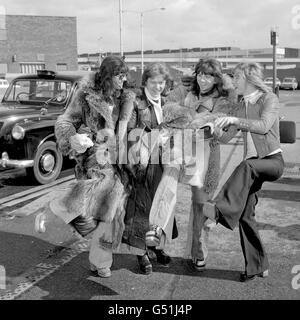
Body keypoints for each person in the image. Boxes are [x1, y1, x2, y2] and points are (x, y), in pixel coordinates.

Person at [35, 55, 136, 278]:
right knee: (106, 207)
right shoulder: (86, 95)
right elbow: (64, 121)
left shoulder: (125, 99)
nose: (124, 80)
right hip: (94, 158)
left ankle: (96, 257)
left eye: (125, 75)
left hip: (121, 160)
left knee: (102, 213)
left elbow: (134, 127)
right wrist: (72, 138)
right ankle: (100, 260)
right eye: (120, 76)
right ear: (108, 76)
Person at [145, 58, 237, 271]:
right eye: (201, 74)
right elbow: (168, 108)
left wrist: (191, 119)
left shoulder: (222, 98)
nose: (204, 80)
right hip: (179, 149)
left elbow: (218, 122)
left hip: (205, 156)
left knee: (200, 205)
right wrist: (194, 118)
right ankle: (157, 230)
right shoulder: (184, 90)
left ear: (217, 79)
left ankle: (199, 252)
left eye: (210, 76)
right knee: (167, 185)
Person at [202, 62, 284, 282]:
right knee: (246, 215)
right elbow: (226, 137)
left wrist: (236, 120)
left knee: (246, 165)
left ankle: (219, 208)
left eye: (236, 77)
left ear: (248, 78)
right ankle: (257, 267)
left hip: (271, 162)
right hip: (252, 169)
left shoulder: (269, 99)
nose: (233, 81)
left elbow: (264, 126)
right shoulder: (240, 106)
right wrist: (215, 131)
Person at [123, 62, 178, 274]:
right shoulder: (136, 103)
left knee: (162, 204)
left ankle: (156, 246)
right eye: (153, 82)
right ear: (145, 81)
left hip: (163, 162)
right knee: (142, 208)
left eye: (161, 82)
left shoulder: (166, 103)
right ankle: (141, 253)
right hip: (142, 163)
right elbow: (129, 134)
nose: (158, 86)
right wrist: (154, 137)